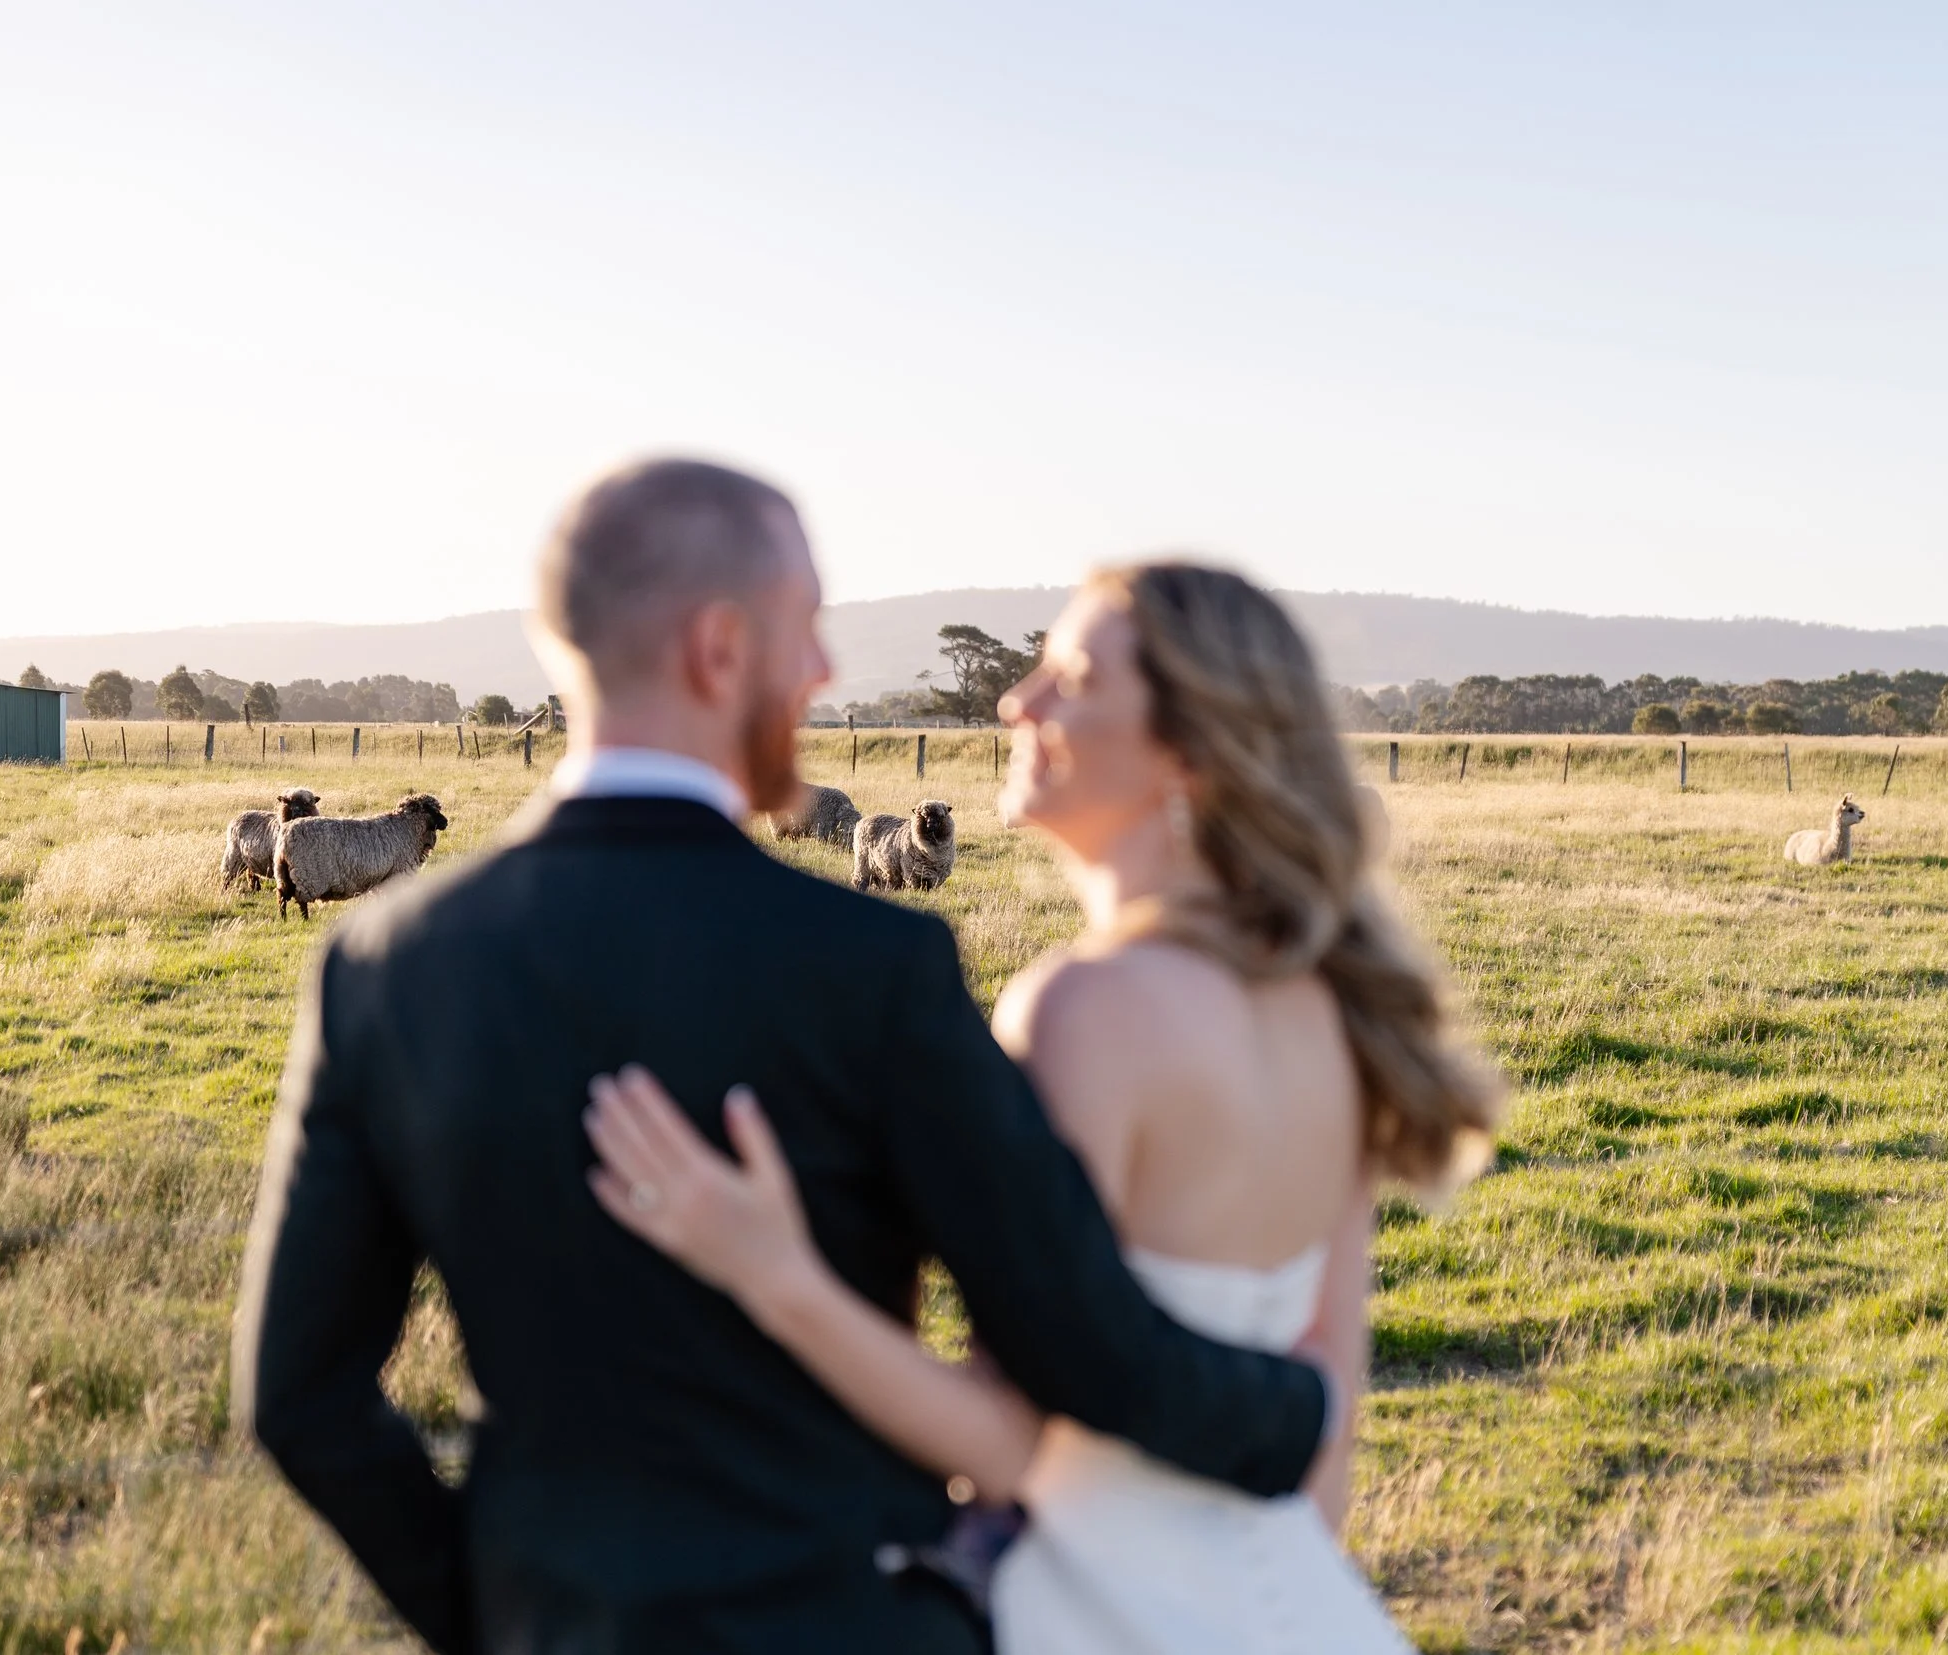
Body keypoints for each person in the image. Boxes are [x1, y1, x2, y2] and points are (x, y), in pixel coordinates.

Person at [231, 461, 1337, 1655]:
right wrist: (1295, 1411)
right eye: (806, 632)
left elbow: (299, 1397)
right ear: (719, 647)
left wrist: (503, 1610)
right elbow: (1085, 1345)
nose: (821, 675)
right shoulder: (875, 966)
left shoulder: (383, 968)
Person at [587, 562, 1503, 1654]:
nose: (1015, 703)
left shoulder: (1088, 1009)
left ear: (1188, 748)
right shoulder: (1336, 1009)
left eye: (1070, 678)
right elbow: (1326, 1432)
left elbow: (1017, 1445)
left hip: (1093, 1611)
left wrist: (770, 1271)